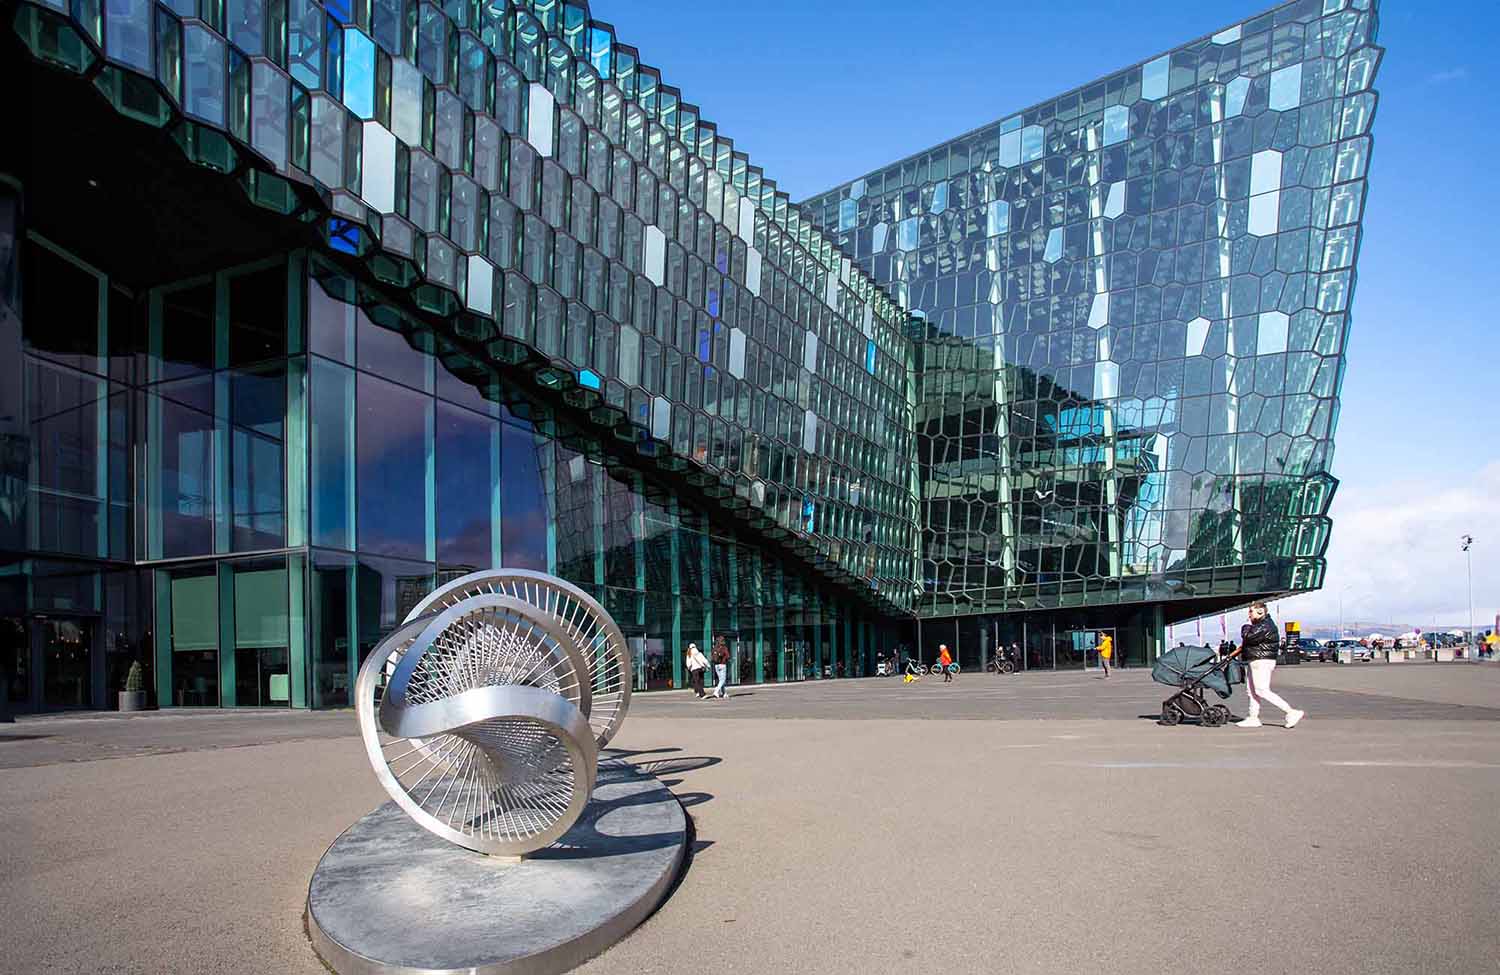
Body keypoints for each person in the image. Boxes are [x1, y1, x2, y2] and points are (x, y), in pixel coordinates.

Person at [1234, 601, 1304, 729]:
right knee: (1252, 691)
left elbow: (1248, 637)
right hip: (1255, 659)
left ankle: (1291, 712)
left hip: (1262, 661)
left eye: (1251, 611)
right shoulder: (1262, 624)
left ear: (1260, 612)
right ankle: (1253, 717)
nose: (1249, 615)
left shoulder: (1265, 625)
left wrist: (1246, 626)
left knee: (1262, 690)